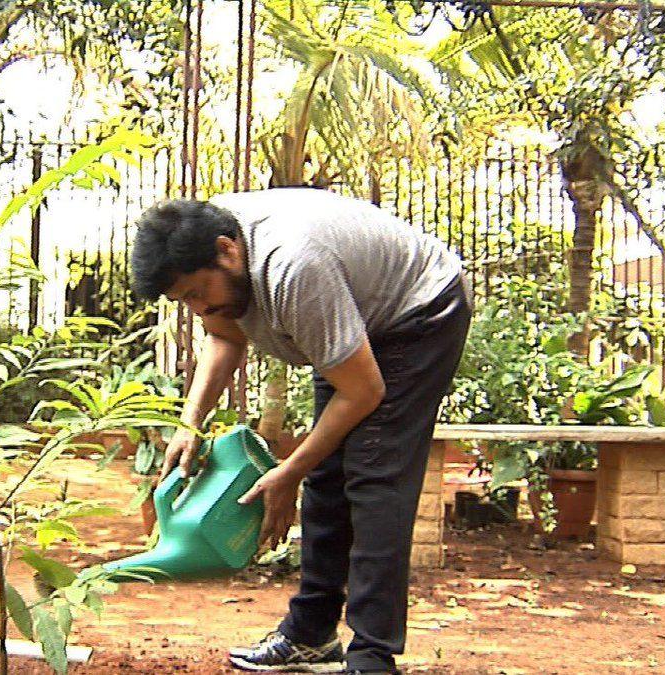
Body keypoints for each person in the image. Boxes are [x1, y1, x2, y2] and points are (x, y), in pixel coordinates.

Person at [129, 188, 471, 674]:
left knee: (375, 474)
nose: (198, 309)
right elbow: (224, 335)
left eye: (198, 293)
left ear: (228, 250)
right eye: (184, 300)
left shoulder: (294, 268)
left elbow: (363, 393)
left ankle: (372, 657)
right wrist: (190, 421)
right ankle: (310, 635)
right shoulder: (216, 251)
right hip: (355, 315)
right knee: (326, 474)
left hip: (418, 310)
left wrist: (288, 471)